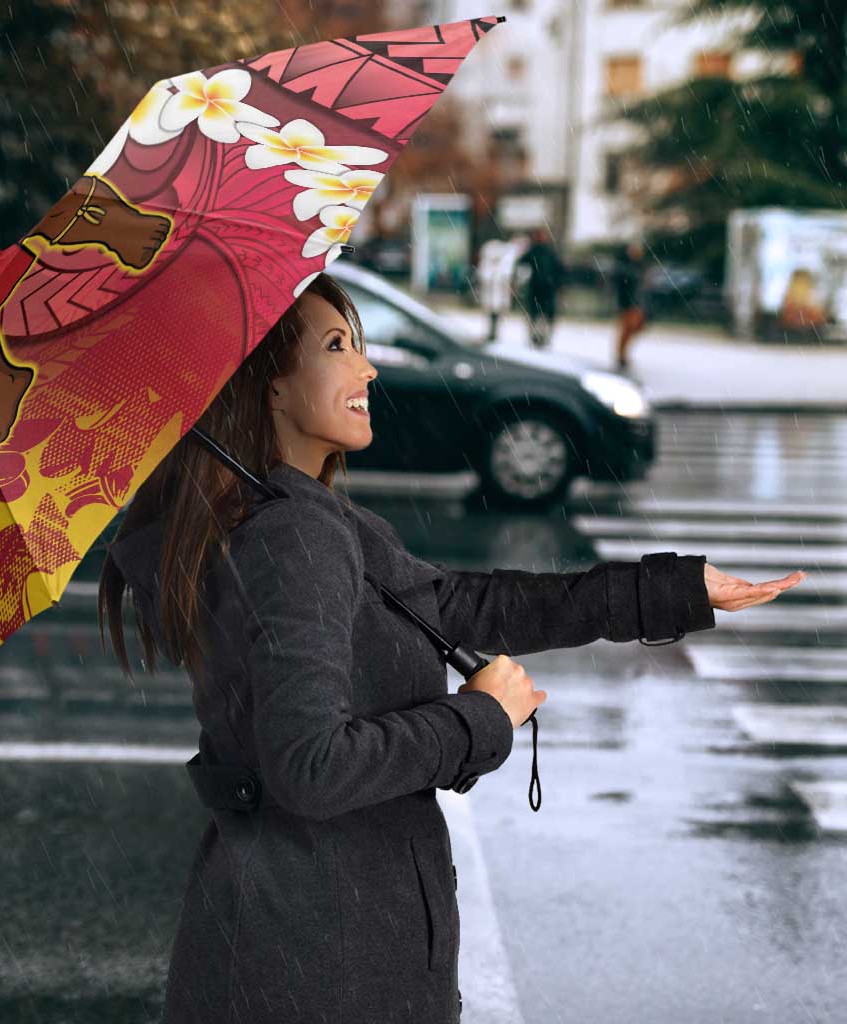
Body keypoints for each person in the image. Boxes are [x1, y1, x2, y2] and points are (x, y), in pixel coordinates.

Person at [99, 272, 805, 1024]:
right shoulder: (294, 536)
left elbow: (464, 606)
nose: (368, 368)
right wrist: (478, 719)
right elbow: (311, 767)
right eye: (337, 347)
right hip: (323, 962)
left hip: (296, 941)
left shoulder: (294, 519)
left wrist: (671, 590)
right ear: (270, 385)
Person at [515, 226, 565, 349]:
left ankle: (542, 337)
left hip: (545, 289)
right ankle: (536, 337)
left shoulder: (547, 252)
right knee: (537, 314)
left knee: (542, 315)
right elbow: (521, 263)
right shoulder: (537, 251)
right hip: (539, 288)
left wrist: (558, 284)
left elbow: (559, 270)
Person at [613, 239, 649, 371]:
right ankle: (621, 355)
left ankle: (622, 354)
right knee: (627, 329)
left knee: (635, 327)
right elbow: (622, 286)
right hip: (628, 303)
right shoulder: (625, 267)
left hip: (637, 303)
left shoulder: (639, 266)